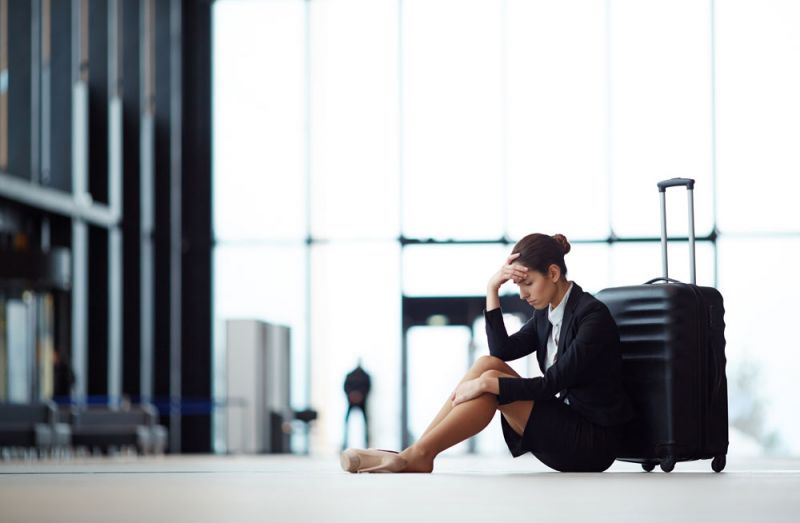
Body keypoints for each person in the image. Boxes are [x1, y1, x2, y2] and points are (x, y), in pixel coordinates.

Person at [340, 232, 635, 473]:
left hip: (593, 442)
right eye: (518, 285)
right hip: (566, 425)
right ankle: (416, 453)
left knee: (490, 376)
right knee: (487, 363)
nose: (522, 294)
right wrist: (492, 288)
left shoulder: (592, 316)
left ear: (554, 273)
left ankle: (415, 455)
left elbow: (550, 385)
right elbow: (502, 351)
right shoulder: (547, 315)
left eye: (528, 283)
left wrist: (486, 383)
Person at [342, 359, 372, 450]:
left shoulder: (366, 375)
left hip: (362, 401)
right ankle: (344, 444)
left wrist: (360, 396)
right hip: (351, 401)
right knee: (346, 422)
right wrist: (352, 395)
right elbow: (345, 387)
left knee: (366, 423)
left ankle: (367, 444)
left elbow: (368, 387)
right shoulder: (350, 375)